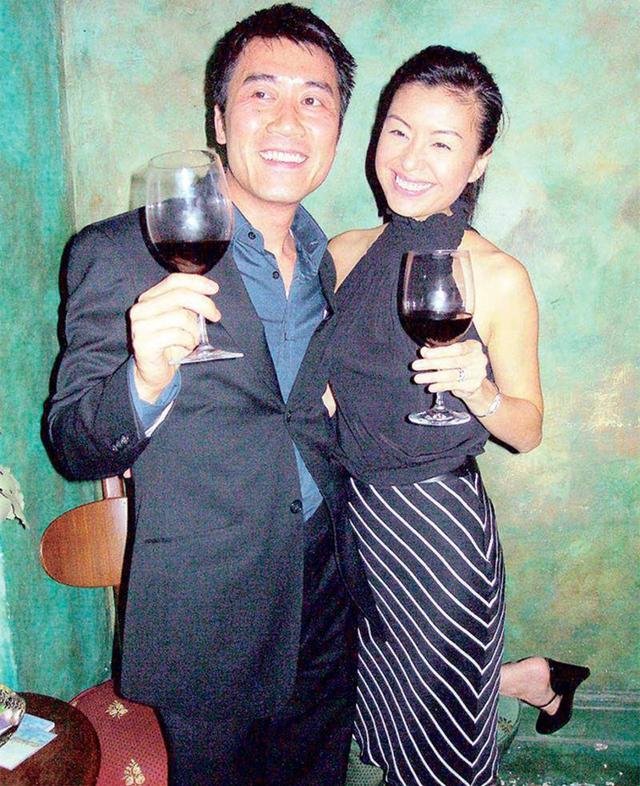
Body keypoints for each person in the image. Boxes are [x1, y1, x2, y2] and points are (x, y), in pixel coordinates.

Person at [46, 5, 378, 785]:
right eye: (262, 94)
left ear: (338, 129)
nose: (289, 120)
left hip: (328, 590)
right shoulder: (117, 253)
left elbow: (304, 412)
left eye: (315, 99)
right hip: (208, 611)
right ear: (220, 120)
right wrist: (143, 378)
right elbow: (71, 444)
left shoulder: (331, 261)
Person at [327, 45, 588, 785]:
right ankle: (531, 677)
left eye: (443, 143)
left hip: (437, 531)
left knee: (439, 742)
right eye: (398, 130)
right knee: (387, 690)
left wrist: (479, 391)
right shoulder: (340, 252)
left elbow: (527, 431)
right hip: (351, 516)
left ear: (478, 161)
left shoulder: (497, 276)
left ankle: (520, 684)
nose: (410, 159)